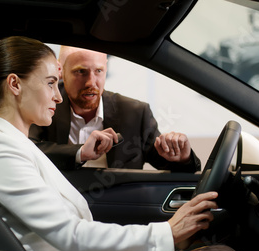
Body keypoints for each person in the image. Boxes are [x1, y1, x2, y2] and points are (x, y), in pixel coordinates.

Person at [0, 36, 258, 251]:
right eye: (51, 83)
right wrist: (168, 231)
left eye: (99, 71)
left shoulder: (12, 143)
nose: (58, 96)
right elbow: (71, 235)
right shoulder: (1, 151)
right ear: (15, 84)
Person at [29, 46, 201, 172]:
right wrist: (80, 153)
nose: (91, 82)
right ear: (61, 71)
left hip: (115, 210)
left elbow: (169, 161)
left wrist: (183, 157)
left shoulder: (135, 113)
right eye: (80, 72)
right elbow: (28, 151)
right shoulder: (45, 105)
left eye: (98, 71)